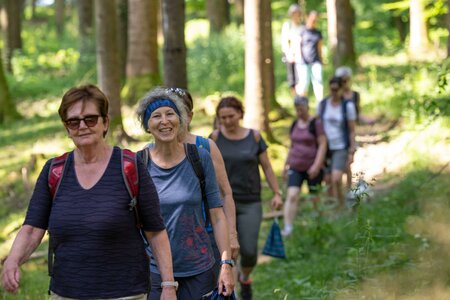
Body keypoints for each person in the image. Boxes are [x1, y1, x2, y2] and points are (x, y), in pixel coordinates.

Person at [0, 85, 176, 300]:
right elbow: (32, 229)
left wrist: (168, 285)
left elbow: (156, 231)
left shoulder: (130, 166)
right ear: (67, 128)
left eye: (90, 119)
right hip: (66, 293)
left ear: (105, 123)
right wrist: (13, 261)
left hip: (124, 293)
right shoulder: (54, 171)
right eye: (73, 122)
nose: (82, 126)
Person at [136, 88, 234, 299]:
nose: (164, 121)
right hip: (154, 270)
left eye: (170, 114)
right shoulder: (138, 164)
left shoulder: (199, 157)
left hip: (199, 267)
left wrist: (226, 264)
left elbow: (217, 216)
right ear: (147, 126)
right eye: (156, 116)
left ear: (181, 119)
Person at [210, 96, 283, 300]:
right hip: (222, 202)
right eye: (222, 117)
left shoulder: (255, 137)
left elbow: (267, 167)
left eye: (231, 116)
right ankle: (229, 293)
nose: (227, 121)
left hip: (250, 200)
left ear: (240, 114)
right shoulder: (214, 138)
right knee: (229, 252)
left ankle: (245, 277)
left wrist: (277, 192)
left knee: (249, 251)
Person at [165, 87, 240, 278]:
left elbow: (226, 193)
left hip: (207, 237)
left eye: (176, 112)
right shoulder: (149, 154)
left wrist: (231, 235)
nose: (168, 119)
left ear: (189, 116)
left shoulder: (205, 146)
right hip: (168, 241)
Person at [282, 95, 327, 236]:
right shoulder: (295, 124)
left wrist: (317, 165)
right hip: (296, 166)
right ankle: (288, 227)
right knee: (292, 194)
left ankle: (318, 225)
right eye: (297, 110)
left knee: (315, 197)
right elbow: (292, 146)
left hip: (312, 166)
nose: (299, 112)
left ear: (307, 107)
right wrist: (286, 164)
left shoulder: (316, 123)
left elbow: (323, 144)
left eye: (301, 109)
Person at [317, 77, 357, 210]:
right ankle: (333, 205)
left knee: (336, 178)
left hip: (341, 146)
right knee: (327, 179)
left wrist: (352, 149)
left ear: (340, 89)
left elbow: (352, 130)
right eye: (331, 89)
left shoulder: (348, 106)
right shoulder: (323, 105)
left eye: (336, 89)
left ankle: (341, 204)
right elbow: (318, 126)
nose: (333, 92)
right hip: (326, 147)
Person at [296, 10, 324, 102]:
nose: (314, 21)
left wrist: (321, 59)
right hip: (303, 61)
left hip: (316, 61)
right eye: (312, 19)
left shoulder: (318, 33)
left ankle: (320, 104)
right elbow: (298, 45)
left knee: (318, 82)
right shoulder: (302, 31)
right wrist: (299, 57)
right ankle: (302, 103)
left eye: (315, 20)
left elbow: (319, 48)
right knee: (304, 82)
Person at [281, 4, 304, 94]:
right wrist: (288, 53)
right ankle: (295, 96)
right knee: (292, 77)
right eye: (294, 14)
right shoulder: (287, 26)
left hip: (300, 55)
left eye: (297, 13)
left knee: (300, 76)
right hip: (290, 54)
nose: (296, 16)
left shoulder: (302, 27)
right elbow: (284, 41)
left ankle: (300, 94)